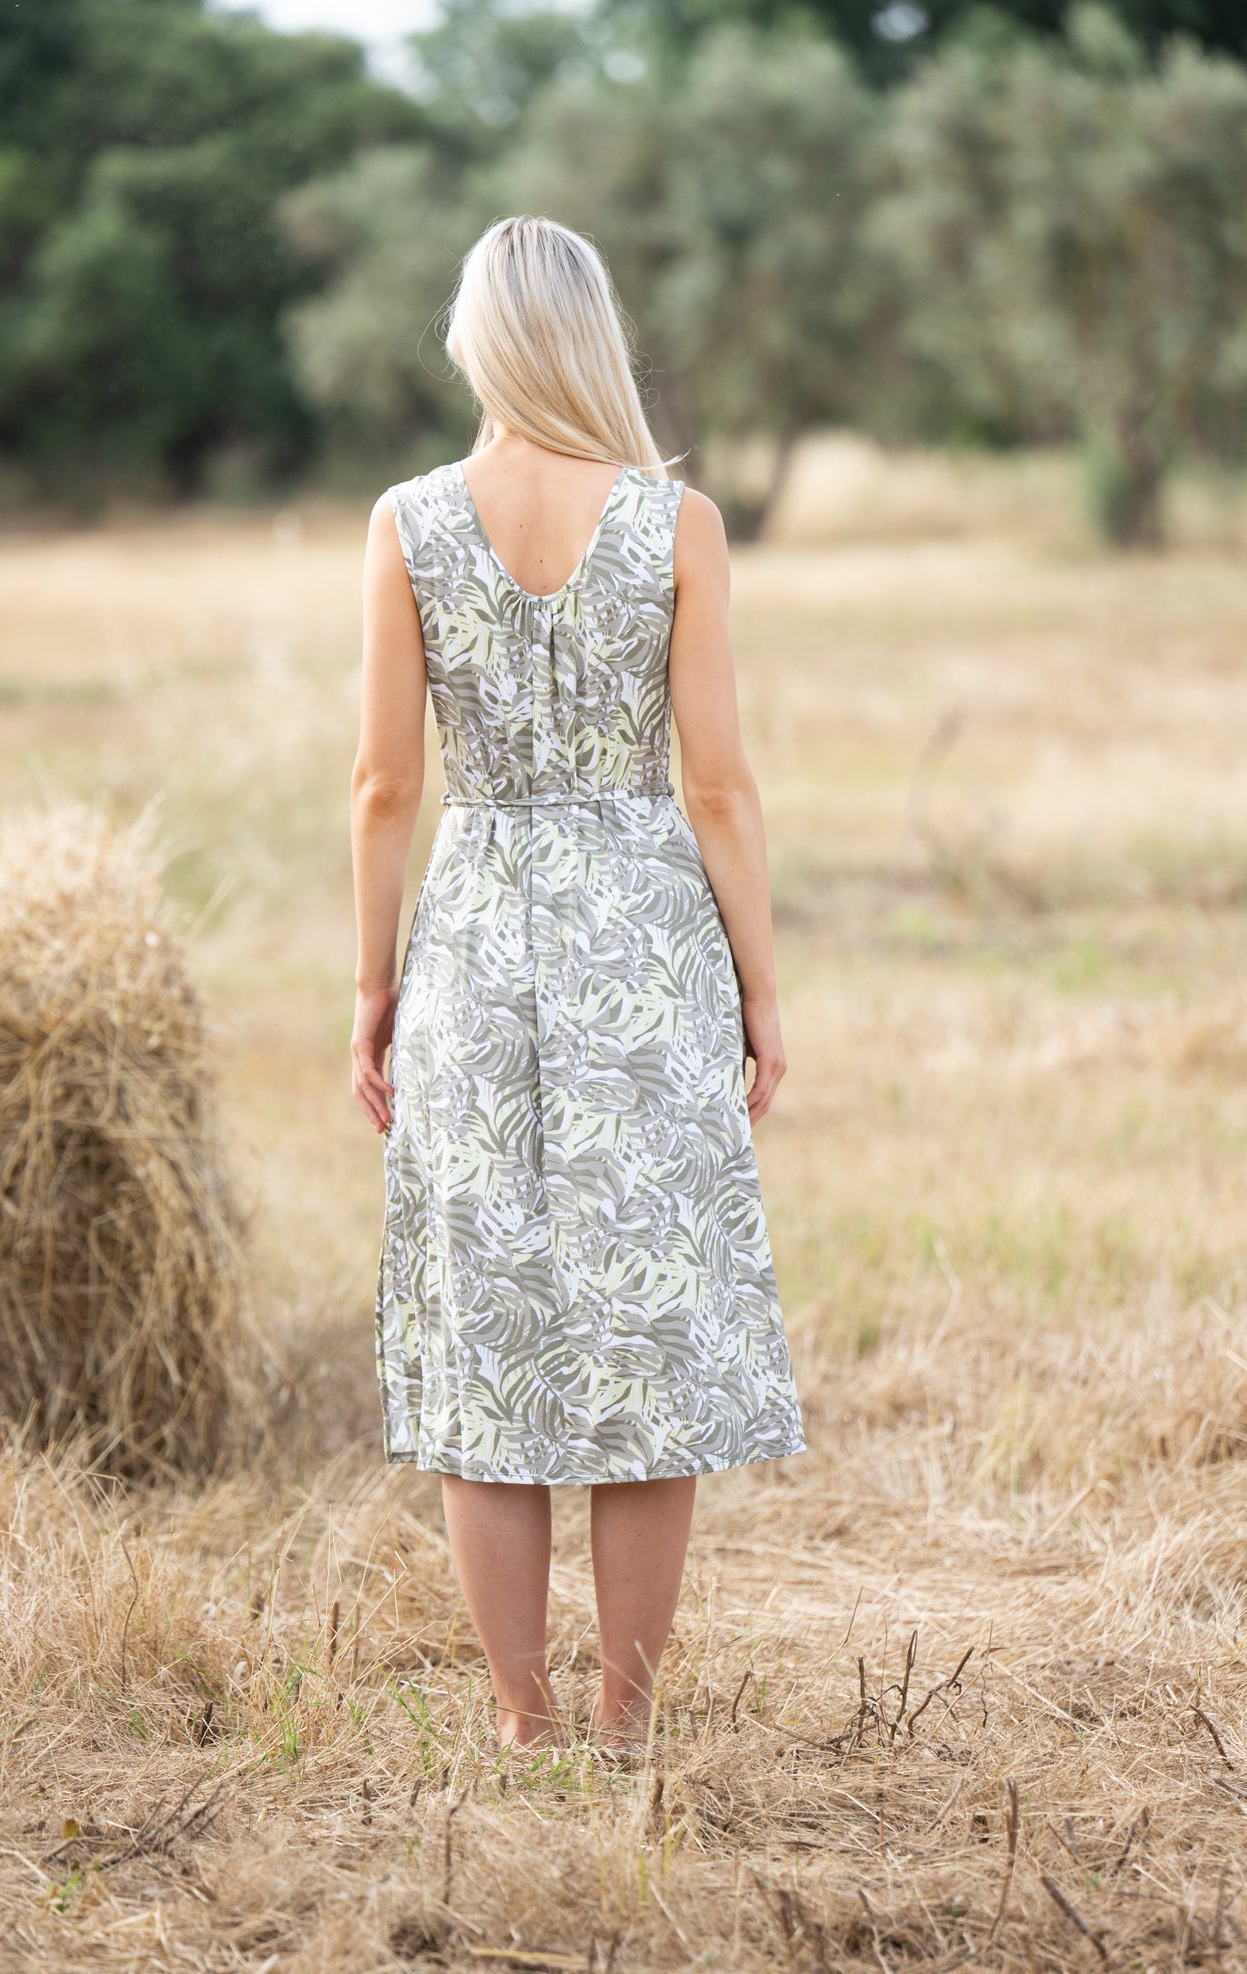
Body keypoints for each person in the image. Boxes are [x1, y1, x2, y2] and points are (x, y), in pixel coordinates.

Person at [349, 215, 806, 1756]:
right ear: (590, 336)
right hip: (642, 939)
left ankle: (521, 1723)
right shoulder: (672, 524)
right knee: (641, 1335)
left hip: (473, 935)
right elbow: (722, 784)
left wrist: (371, 983)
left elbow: (376, 786)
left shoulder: (406, 520)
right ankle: (624, 1724)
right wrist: (757, 984)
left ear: (475, 337)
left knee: (494, 1343)